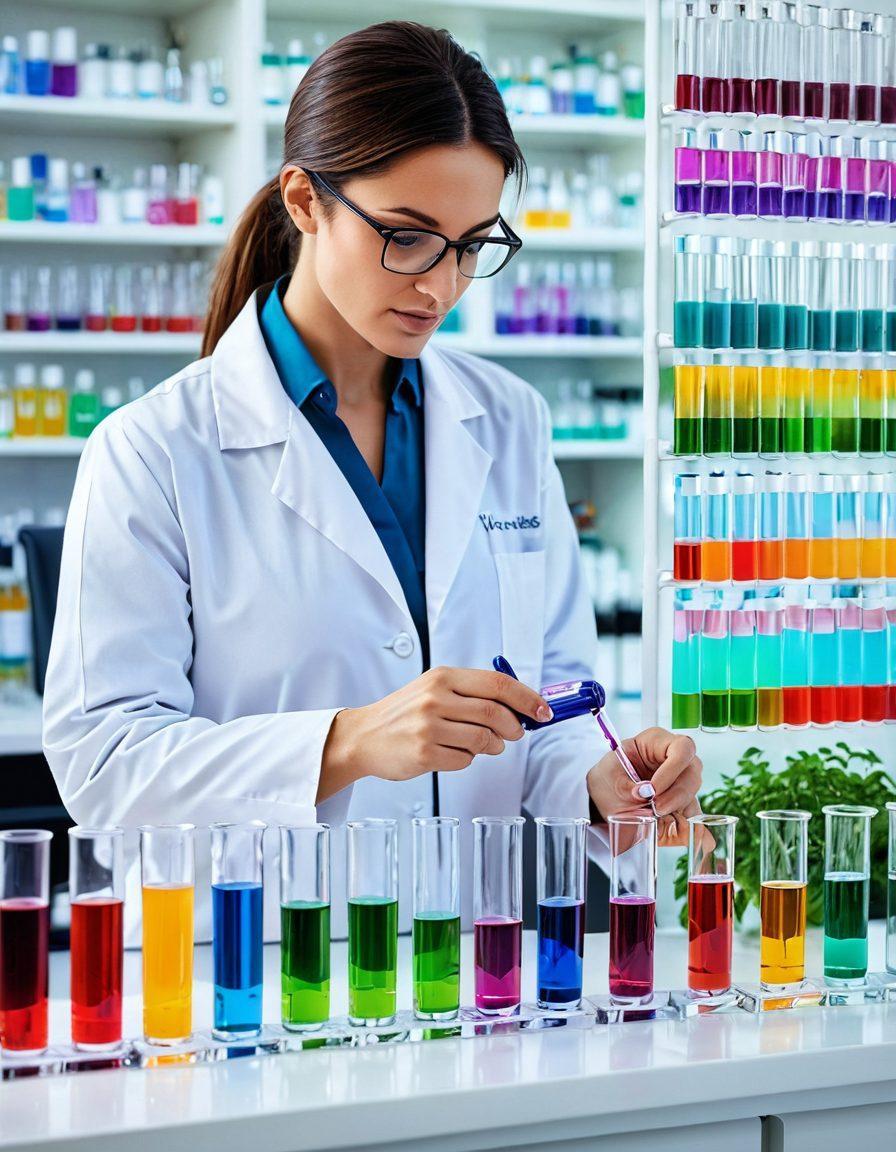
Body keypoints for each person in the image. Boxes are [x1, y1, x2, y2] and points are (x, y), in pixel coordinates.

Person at [43, 22, 702, 944]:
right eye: (407, 237)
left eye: (472, 245)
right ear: (305, 200)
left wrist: (597, 783)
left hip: (478, 956)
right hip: (256, 959)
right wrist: (348, 744)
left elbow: (552, 695)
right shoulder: (152, 450)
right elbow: (106, 767)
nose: (440, 284)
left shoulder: (507, 420)